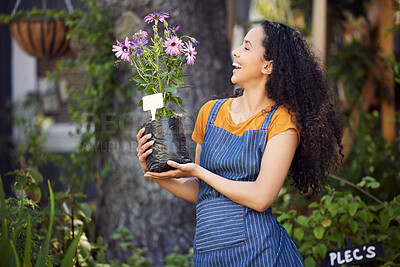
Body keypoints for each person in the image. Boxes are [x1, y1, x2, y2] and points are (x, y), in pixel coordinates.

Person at [136, 20, 343, 266]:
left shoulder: (281, 121)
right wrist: (155, 169)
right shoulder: (210, 113)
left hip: (259, 253)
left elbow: (261, 197)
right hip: (208, 253)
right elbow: (202, 192)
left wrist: (198, 171)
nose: (236, 52)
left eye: (246, 47)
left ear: (268, 65)